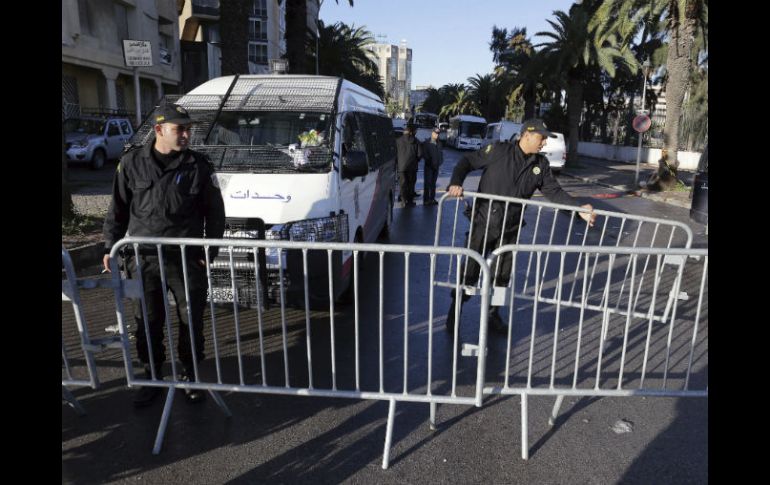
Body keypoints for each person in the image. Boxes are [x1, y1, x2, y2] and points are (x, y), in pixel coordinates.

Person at [102, 103, 226, 407]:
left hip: (185, 258)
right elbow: (117, 208)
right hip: (143, 258)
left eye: (188, 129)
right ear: (159, 130)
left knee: (191, 319)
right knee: (147, 321)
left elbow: (216, 213)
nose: (186, 134)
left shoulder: (198, 165)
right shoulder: (132, 163)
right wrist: (109, 247)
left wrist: (209, 252)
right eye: (179, 129)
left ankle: (190, 375)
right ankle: (153, 377)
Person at [445, 118, 596, 334]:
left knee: (502, 277)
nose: (544, 143)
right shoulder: (498, 150)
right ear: (526, 135)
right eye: (541, 138)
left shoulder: (540, 165)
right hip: (483, 223)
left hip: (510, 229)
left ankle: (492, 315)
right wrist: (456, 182)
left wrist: (578, 209)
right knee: (470, 271)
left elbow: (554, 192)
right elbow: (466, 162)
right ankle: (456, 308)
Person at [395, 123, 422, 208]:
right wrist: (415, 161)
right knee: (410, 184)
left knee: (402, 184)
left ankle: (403, 200)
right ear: (411, 132)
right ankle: (410, 201)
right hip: (412, 167)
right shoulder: (416, 141)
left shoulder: (398, 141)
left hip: (401, 167)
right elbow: (420, 154)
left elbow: (395, 154)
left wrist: (398, 163)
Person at [421, 127, 444, 205]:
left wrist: (440, 162)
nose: (437, 135)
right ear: (432, 133)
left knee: (433, 183)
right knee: (427, 183)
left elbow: (440, 154)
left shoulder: (439, 143)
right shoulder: (426, 143)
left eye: (438, 134)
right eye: (435, 133)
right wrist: (429, 162)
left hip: (436, 167)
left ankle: (432, 198)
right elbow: (424, 154)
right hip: (429, 167)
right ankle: (426, 200)